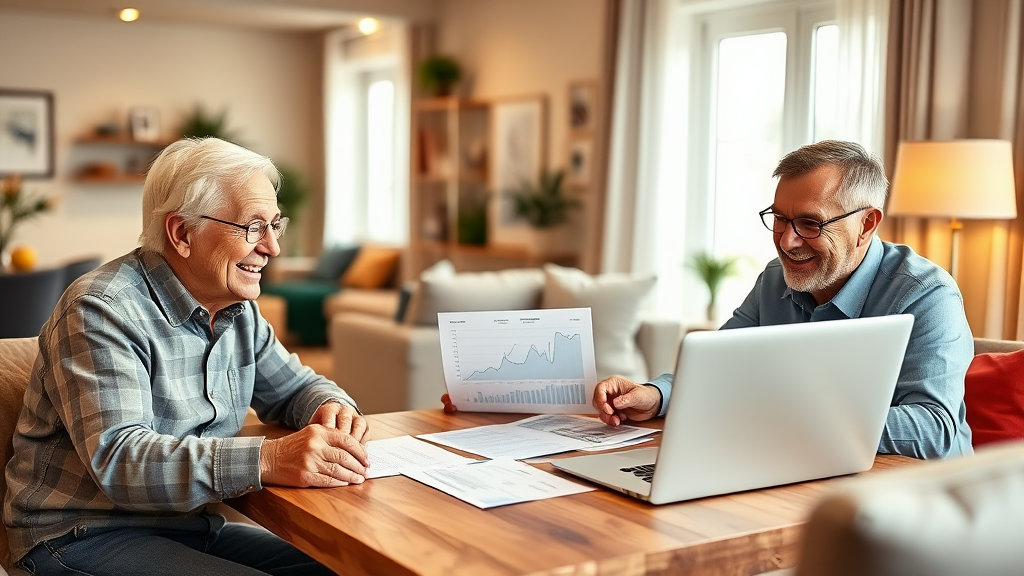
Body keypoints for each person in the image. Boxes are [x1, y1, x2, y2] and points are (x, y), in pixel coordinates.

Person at [4, 137, 367, 576]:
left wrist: (332, 408)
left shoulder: (239, 312)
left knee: (349, 568)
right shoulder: (101, 309)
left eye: (275, 225)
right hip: (80, 536)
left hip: (188, 528)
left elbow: (298, 388)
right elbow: (121, 460)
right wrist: (269, 458)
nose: (271, 247)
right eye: (253, 226)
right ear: (182, 233)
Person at [591, 140, 974, 460]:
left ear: (866, 225)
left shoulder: (926, 294)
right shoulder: (775, 279)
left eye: (810, 223)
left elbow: (932, 430)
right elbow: (718, 366)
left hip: (920, 497)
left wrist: (790, 418)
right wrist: (655, 395)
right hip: (801, 468)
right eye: (779, 218)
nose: (787, 241)